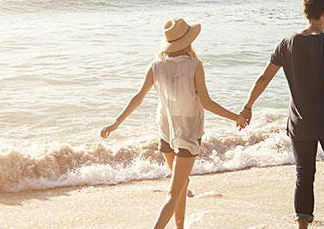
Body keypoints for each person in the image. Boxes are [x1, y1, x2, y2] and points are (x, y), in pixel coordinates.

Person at [100, 18, 245, 229]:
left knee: (182, 184)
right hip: (187, 132)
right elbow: (207, 103)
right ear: (187, 41)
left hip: (166, 130)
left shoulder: (156, 66)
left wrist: (116, 123)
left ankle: (180, 227)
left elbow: (137, 98)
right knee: (174, 192)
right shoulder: (195, 66)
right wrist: (236, 118)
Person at [239, 0, 324, 229]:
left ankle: (302, 227)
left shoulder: (287, 43)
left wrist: (248, 106)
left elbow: (263, 78)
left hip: (299, 123)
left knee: (304, 176)